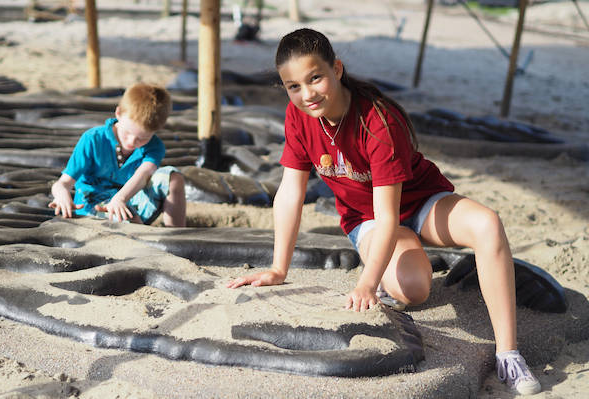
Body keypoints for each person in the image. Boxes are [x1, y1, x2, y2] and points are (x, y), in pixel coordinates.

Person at [226, 28, 541, 395]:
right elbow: (290, 191)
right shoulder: (298, 118)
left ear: (336, 70)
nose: (307, 94)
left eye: (315, 78)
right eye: (293, 86)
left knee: (487, 224)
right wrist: (279, 268)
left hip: (420, 200)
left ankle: (509, 354)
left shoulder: (378, 119)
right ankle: (406, 261)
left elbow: (393, 211)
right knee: (414, 288)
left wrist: (366, 283)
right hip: (369, 219)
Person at [49, 82, 186, 227]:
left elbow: (143, 175)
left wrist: (120, 198)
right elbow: (62, 183)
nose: (132, 141)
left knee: (174, 178)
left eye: (142, 138)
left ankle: (176, 234)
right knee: (128, 218)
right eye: (127, 133)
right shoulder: (93, 139)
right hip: (92, 206)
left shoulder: (155, 146)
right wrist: (62, 194)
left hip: (129, 199)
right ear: (119, 113)